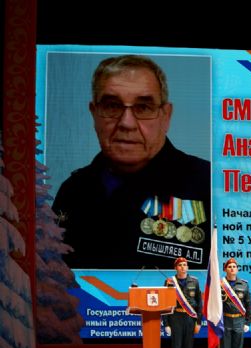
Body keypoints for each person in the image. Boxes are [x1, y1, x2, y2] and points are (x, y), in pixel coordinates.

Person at [52, 54, 211, 269]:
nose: (127, 123)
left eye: (143, 107)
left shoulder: (207, 185)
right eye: (112, 106)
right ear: (94, 114)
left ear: (166, 116)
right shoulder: (72, 191)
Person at [163, 257, 202, 348]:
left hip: (190, 318)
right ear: (175, 268)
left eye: (185, 265)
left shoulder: (194, 281)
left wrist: (199, 322)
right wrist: (166, 324)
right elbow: (165, 303)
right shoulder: (169, 282)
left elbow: (199, 303)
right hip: (175, 318)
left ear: (187, 267)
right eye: (180, 265)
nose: (183, 267)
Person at [220, 257, 251, 348]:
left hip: (239, 320)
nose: (232, 268)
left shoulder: (244, 284)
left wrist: (247, 322)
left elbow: (249, 305)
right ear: (225, 269)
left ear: (237, 269)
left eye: (234, 266)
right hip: (225, 320)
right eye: (229, 267)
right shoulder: (220, 284)